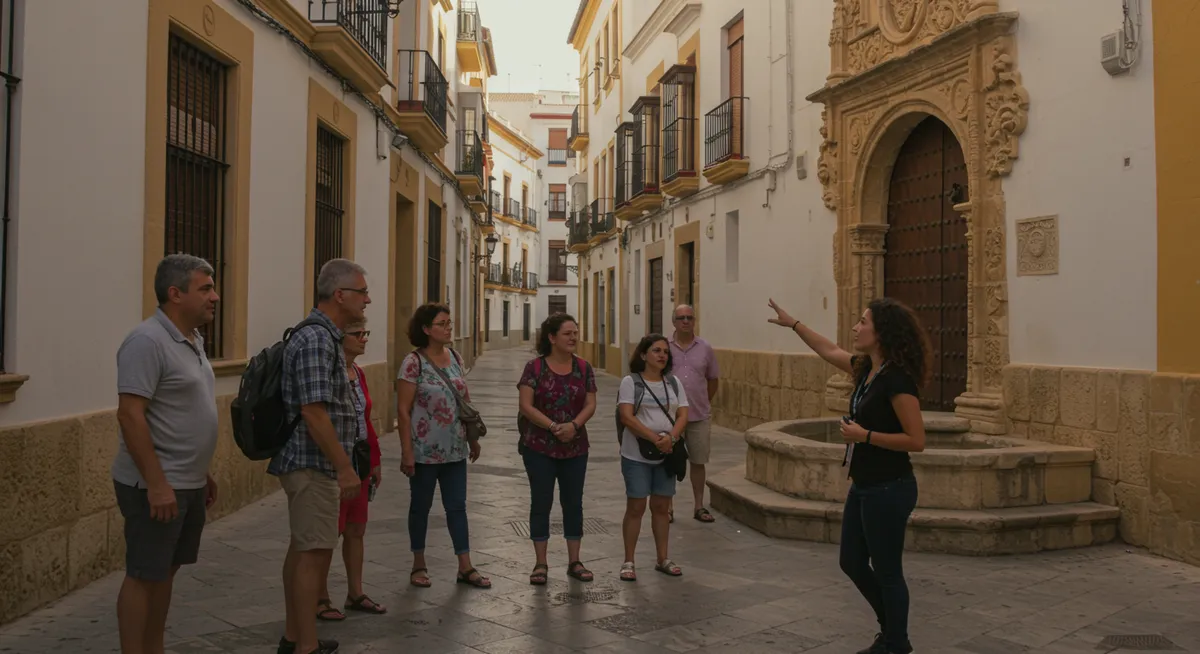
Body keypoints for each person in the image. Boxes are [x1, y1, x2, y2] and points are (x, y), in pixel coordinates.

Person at [767, 297, 927, 654]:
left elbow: (916, 440)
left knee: (887, 571)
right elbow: (828, 350)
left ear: (881, 332)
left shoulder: (897, 380)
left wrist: (865, 436)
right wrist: (794, 323)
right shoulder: (867, 369)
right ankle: (892, 630)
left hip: (890, 488)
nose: (856, 328)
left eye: (862, 322)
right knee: (851, 561)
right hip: (865, 484)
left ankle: (895, 641)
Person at [113, 254, 221, 654]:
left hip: (186, 481)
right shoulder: (146, 341)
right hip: (155, 485)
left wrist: (202, 471)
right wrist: (157, 483)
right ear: (175, 294)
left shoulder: (192, 340)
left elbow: (183, 411)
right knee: (144, 574)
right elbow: (130, 414)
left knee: (165, 572)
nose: (215, 296)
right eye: (205, 288)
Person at [270, 258, 372, 654]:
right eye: (362, 292)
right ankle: (305, 646)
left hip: (316, 463)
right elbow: (314, 411)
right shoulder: (315, 339)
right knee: (313, 553)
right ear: (340, 294)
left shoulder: (326, 336)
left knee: (303, 549)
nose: (368, 299)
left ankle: (295, 637)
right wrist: (345, 468)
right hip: (313, 463)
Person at [397, 303, 489, 589]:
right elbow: (402, 410)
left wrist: (472, 438)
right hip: (424, 451)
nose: (449, 327)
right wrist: (407, 452)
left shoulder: (456, 358)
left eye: (449, 322)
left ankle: (465, 566)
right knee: (420, 508)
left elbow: (464, 400)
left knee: (457, 507)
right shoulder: (413, 363)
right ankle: (418, 564)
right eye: (442, 323)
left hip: (454, 449)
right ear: (426, 329)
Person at [516, 313, 598, 585]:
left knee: (573, 502)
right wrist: (553, 427)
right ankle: (541, 563)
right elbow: (526, 406)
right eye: (567, 333)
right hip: (539, 447)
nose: (573, 337)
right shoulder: (534, 368)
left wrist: (574, 426)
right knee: (541, 501)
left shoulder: (584, 368)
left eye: (575, 332)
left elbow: (590, 403)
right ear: (551, 338)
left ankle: (575, 560)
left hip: (576, 446)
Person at [315, 318, 385, 621]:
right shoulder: (330, 374)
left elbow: (366, 419)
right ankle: (320, 597)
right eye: (358, 334)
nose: (364, 339)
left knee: (357, 529)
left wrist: (376, 459)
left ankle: (355, 592)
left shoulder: (359, 373)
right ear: (340, 339)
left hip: (360, 460)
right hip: (335, 463)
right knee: (331, 531)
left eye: (365, 333)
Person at [617, 334, 688, 582]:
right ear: (644, 354)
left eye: (665, 352)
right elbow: (626, 416)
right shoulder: (630, 382)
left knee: (660, 507)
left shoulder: (674, 383)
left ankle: (662, 558)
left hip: (666, 455)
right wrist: (654, 438)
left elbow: (682, 414)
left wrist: (672, 438)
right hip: (636, 455)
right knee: (636, 507)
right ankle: (628, 561)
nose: (662, 355)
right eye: (656, 350)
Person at [667, 305, 720, 524]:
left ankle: (699, 506)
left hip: (698, 415)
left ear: (694, 320)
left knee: (698, 462)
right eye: (681, 318)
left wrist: (703, 401)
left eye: (689, 317)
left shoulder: (705, 347)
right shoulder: (664, 347)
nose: (686, 321)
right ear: (674, 322)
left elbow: (713, 379)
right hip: (670, 417)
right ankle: (667, 508)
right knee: (668, 463)